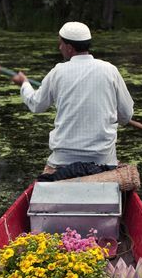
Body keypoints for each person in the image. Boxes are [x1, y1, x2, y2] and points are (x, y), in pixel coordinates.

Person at [12, 21, 134, 173]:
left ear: (69, 48)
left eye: (61, 44)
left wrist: (24, 84)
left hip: (63, 161)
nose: (59, 47)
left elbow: (36, 104)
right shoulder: (110, 70)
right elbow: (126, 115)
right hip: (102, 160)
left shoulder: (58, 72)